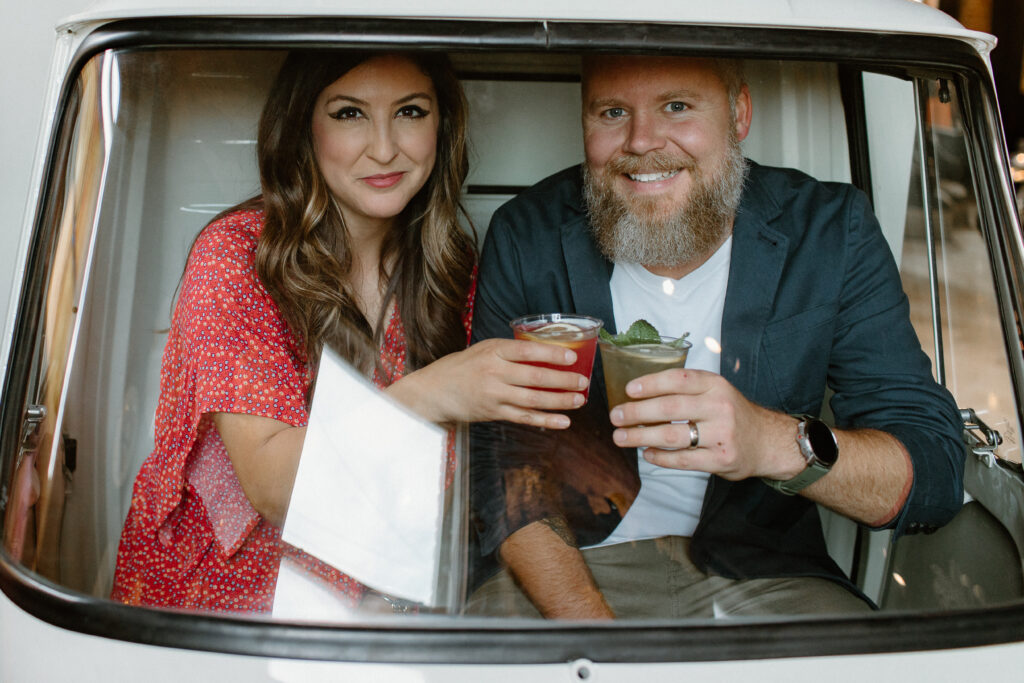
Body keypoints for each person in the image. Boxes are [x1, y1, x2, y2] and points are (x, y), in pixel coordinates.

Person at [467, 55, 965, 619]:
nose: (642, 141)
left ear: (739, 113)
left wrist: (770, 442)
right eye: (612, 112)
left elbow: (935, 474)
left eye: (676, 107)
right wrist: (591, 628)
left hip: (767, 577)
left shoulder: (830, 230)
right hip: (568, 572)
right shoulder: (526, 232)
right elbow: (499, 466)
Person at [110, 50, 591, 613]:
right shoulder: (237, 256)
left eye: (410, 112)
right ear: (302, 129)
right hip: (225, 609)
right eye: (349, 114)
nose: (384, 147)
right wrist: (434, 391)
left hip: (384, 605)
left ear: (443, 125)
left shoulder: (449, 262)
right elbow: (273, 487)